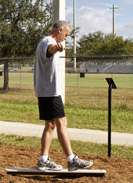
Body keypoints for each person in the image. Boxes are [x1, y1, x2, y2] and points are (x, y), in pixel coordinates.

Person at [33, 20, 93, 171]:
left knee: (50, 125)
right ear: (60, 30)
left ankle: (43, 159)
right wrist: (56, 48)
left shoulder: (43, 42)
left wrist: (56, 48)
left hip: (43, 91)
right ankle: (71, 159)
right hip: (50, 92)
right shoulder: (49, 42)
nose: (66, 38)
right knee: (62, 123)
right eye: (66, 35)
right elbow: (51, 49)